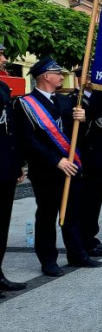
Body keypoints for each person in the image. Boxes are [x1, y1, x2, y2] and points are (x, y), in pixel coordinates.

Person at [14, 56, 102, 276]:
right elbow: (27, 140)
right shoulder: (25, 103)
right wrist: (56, 160)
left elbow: (76, 137)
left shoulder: (65, 101)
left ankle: (77, 253)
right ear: (46, 76)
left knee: (73, 212)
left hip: (71, 168)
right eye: (58, 73)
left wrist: (83, 119)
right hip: (46, 170)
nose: (62, 76)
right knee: (47, 214)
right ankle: (48, 260)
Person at [76, 73, 102, 257]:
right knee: (84, 204)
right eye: (91, 75)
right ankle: (83, 241)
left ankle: (91, 238)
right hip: (84, 162)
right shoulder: (73, 101)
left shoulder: (98, 100)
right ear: (82, 77)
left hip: (98, 160)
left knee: (95, 203)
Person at [0, 44, 27, 293]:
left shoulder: (3, 89)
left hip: (5, 166)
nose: (5, 59)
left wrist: (17, 163)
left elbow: (9, 131)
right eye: (0, 55)